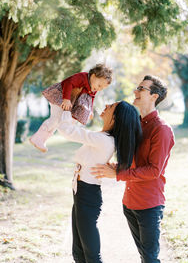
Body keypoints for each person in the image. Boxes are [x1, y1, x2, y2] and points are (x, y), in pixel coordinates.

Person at [91, 75, 175, 263]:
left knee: (150, 258)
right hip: (129, 203)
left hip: (149, 205)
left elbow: (154, 170)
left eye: (141, 89)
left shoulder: (161, 129)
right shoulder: (134, 122)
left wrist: (118, 174)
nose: (135, 92)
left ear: (154, 96)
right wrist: (114, 167)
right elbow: (129, 159)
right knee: (144, 256)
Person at [57, 101, 142, 263]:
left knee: (90, 255)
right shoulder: (103, 138)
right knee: (79, 252)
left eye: (111, 106)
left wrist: (66, 109)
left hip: (87, 195)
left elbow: (67, 131)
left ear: (115, 118)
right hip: (82, 192)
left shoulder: (104, 140)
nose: (107, 105)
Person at [29, 63, 112, 152]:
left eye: (102, 88)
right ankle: (37, 138)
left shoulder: (93, 88)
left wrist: (90, 110)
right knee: (55, 119)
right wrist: (66, 99)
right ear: (93, 76)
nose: (99, 89)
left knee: (57, 122)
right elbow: (69, 83)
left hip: (68, 101)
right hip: (60, 97)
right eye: (99, 85)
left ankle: (41, 139)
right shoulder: (82, 77)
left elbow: (91, 97)